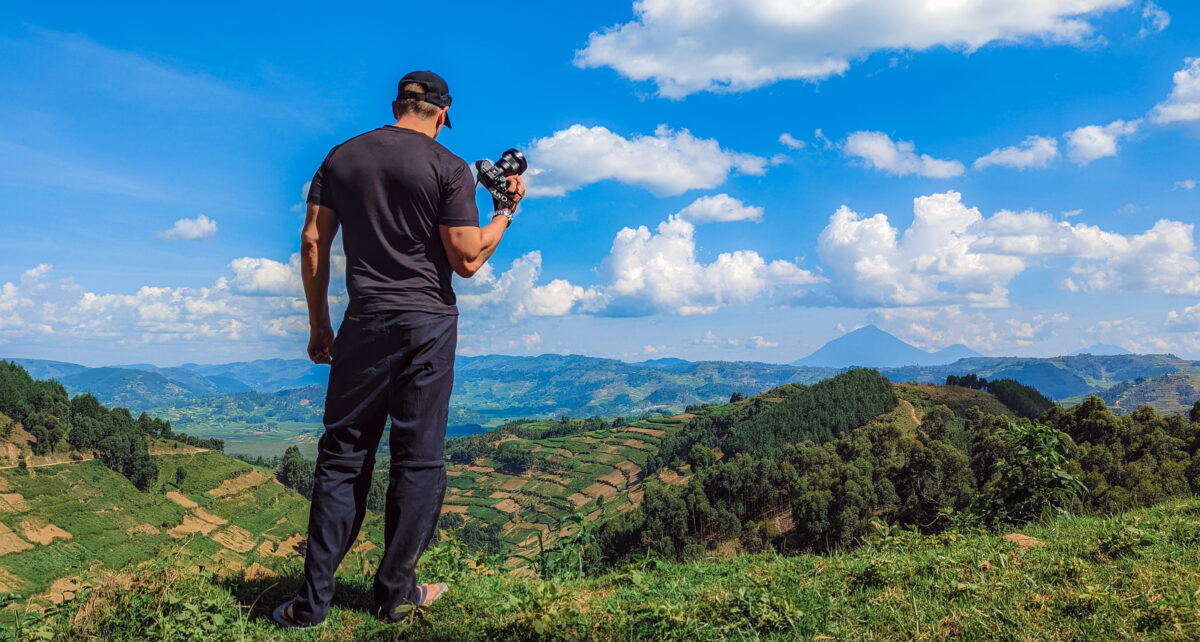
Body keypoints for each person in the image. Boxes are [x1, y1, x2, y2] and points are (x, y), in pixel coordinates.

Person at [272, 70, 524, 628]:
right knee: (418, 461)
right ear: (441, 114)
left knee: (341, 458)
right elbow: (466, 259)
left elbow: (314, 241)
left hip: (362, 322)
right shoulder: (450, 167)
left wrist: (320, 325)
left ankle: (312, 604)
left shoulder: (340, 158)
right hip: (427, 327)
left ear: (396, 105)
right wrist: (507, 212)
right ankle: (394, 593)